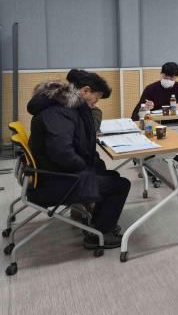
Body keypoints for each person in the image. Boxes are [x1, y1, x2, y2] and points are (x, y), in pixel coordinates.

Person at [27, 77, 130, 250]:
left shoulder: (57, 108)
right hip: (55, 182)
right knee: (120, 185)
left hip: (50, 174)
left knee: (110, 175)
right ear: (86, 91)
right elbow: (62, 152)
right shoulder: (58, 112)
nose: (95, 103)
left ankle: (98, 224)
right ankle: (99, 235)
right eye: (97, 97)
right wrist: (84, 167)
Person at [67, 69, 111, 133]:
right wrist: (95, 111)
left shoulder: (67, 104)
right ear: (86, 91)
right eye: (96, 98)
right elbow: (90, 130)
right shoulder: (65, 110)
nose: (96, 102)